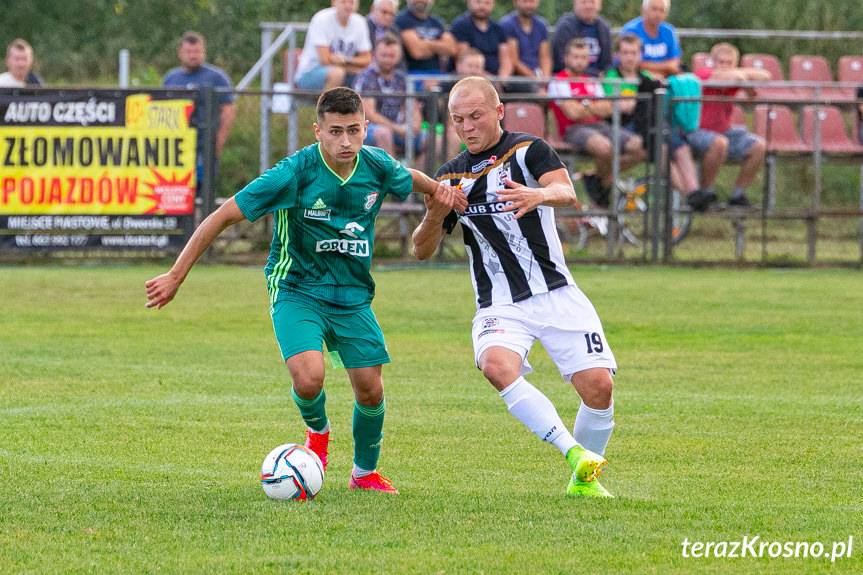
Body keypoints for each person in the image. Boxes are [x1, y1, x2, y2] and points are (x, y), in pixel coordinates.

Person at [145, 87, 466, 494]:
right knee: (310, 378)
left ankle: (364, 474)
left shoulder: (377, 165)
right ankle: (318, 434)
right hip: (297, 289)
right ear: (317, 131)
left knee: (371, 388)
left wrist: (441, 192)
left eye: (353, 130)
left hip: (352, 294)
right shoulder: (294, 173)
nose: (345, 141)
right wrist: (176, 275)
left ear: (366, 127)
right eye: (335, 131)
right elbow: (222, 215)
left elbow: (414, 180)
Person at [413, 76, 616, 497]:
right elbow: (421, 249)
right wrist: (435, 213)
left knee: (599, 387)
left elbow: (566, 191)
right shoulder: (449, 176)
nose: (466, 127)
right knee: (495, 366)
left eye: (475, 116)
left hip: (556, 292)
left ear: (499, 111)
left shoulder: (528, 151)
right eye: (457, 120)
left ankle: (583, 483)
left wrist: (538, 196)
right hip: (499, 302)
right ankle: (574, 454)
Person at [602, 34, 700, 205]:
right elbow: (618, 106)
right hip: (626, 126)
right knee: (660, 146)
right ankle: (687, 197)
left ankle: (693, 191)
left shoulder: (647, 77)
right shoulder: (611, 77)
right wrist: (639, 99)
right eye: (625, 53)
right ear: (618, 55)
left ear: (640, 55)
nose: (629, 57)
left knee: (679, 144)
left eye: (633, 53)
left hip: (651, 125)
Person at [549, 39, 646, 206]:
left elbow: (608, 107)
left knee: (641, 146)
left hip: (599, 126)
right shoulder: (559, 81)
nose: (579, 61)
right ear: (566, 58)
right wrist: (593, 105)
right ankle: (603, 189)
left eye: (583, 57)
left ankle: (598, 179)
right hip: (573, 129)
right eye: (576, 57)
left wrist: (584, 105)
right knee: (605, 147)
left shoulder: (592, 80)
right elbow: (572, 113)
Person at [686, 43, 770, 209]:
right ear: (713, 62)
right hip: (697, 132)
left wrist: (742, 79)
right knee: (719, 143)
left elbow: (765, 76)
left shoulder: (735, 78)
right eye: (721, 62)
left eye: (728, 63)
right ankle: (705, 193)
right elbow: (726, 78)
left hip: (724, 131)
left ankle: (737, 195)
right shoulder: (704, 74)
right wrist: (741, 77)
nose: (724, 67)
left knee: (759, 146)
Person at [162, 31, 236, 192]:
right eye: (189, 52)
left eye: (197, 51)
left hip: (205, 145)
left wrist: (219, 140)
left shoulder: (216, 77)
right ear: (180, 53)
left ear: (204, 52)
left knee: (203, 189)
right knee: (177, 188)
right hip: (178, 145)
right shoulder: (171, 78)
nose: (193, 56)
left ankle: (203, 217)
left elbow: (228, 110)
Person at [353, 34, 425, 160]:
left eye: (391, 56)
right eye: (384, 55)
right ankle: (393, 178)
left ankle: (416, 178)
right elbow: (369, 113)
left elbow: (413, 107)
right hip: (367, 129)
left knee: (434, 140)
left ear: (399, 56)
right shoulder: (367, 77)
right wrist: (398, 129)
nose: (387, 59)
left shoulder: (402, 78)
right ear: (375, 55)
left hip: (399, 129)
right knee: (384, 133)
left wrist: (414, 126)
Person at [295, 0, 372, 92]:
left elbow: (367, 59)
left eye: (351, 2)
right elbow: (324, 60)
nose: (348, 5)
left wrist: (346, 59)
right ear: (334, 3)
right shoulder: (321, 19)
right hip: (310, 72)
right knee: (337, 73)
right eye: (343, 2)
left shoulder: (360, 22)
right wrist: (352, 65)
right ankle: (325, 106)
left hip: (344, 70)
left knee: (367, 76)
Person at [450, 0, 512, 80]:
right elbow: (464, 58)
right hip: (470, 77)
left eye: (487, 3)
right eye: (478, 2)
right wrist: (489, 79)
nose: (482, 6)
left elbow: (506, 59)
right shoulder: (460, 26)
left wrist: (502, 79)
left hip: (496, 80)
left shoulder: (498, 29)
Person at [499, 0, 552, 92]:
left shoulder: (541, 25)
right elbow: (514, 60)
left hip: (537, 75)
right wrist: (535, 79)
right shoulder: (507, 24)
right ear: (515, 2)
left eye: (532, 1)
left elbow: (545, 57)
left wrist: (545, 79)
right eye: (525, 1)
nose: (528, 5)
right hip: (517, 77)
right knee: (537, 92)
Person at [621, 0, 681, 79]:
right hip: (638, 82)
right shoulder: (631, 30)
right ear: (644, 10)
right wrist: (666, 67)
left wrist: (646, 66)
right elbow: (630, 63)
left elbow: (674, 65)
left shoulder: (669, 32)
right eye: (654, 9)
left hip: (665, 81)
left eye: (661, 10)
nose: (658, 14)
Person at [396, 0, 456, 77]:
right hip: (410, 75)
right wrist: (438, 45)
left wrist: (425, 44)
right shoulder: (401, 20)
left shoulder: (437, 22)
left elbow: (451, 49)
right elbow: (417, 52)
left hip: (437, 75)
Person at [551, 0, 612, 76]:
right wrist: (594, 74)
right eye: (583, 2)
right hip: (569, 80)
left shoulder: (603, 28)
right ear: (575, 3)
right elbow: (561, 61)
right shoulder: (565, 27)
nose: (588, 6)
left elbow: (607, 62)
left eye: (592, 2)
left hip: (597, 82)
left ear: (600, 4)